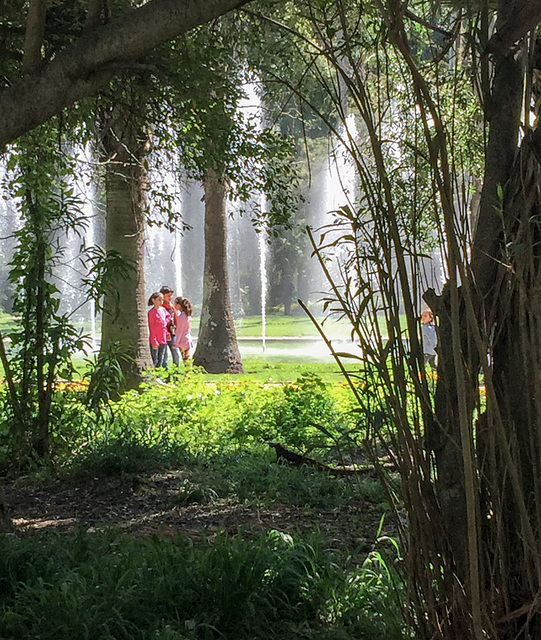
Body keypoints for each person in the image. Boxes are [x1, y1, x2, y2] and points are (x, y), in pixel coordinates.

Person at [160, 285, 180, 366]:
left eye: (171, 295)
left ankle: (176, 371)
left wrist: (177, 331)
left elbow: (176, 320)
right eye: (168, 296)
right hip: (163, 334)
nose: (170, 297)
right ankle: (165, 372)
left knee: (176, 353)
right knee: (164, 355)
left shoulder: (171, 306)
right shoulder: (161, 308)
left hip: (172, 334)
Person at [148, 292, 169, 368]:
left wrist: (166, 331)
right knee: (155, 359)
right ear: (153, 300)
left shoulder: (163, 310)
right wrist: (154, 340)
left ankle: (160, 375)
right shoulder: (151, 313)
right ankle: (154, 375)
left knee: (161, 358)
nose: (161, 302)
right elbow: (151, 327)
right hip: (155, 338)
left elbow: (168, 317)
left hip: (163, 338)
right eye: (159, 300)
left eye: (162, 300)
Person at [174, 296, 194, 363]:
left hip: (183, 340)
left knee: (185, 358)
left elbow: (179, 331)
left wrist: (176, 343)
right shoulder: (187, 315)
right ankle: (188, 372)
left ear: (179, 305)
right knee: (187, 358)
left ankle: (187, 372)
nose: (174, 306)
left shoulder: (182, 317)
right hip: (187, 338)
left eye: (176, 304)